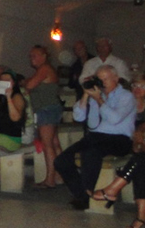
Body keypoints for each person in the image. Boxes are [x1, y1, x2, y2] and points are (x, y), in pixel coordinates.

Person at [54, 65, 135, 211]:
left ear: (116, 79)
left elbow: (114, 119)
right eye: (99, 79)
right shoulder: (97, 94)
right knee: (61, 160)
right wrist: (86, 95)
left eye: (106, 78)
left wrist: (99, 100)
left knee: (91, 153)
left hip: (120, 139)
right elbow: (78, 117)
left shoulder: (126, 96)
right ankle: (83, 194)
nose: (102, 82)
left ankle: (84, 196)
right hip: (95, 136)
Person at [90, 74, 145, 228]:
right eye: (134, 86)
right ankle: (140, 216)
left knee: (140, 161)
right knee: (140, 161)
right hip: (128, 142)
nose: (137, 89)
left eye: (142, 86)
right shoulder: (127, 102)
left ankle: (113, 190)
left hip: (140, 147)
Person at [23, 45, 63, 189]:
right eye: (30, 56)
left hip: (46, 109)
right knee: (54, 143)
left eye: (35, 55)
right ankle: (60, 175)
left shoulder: (44, 68)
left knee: (47, 145)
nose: (31, 59)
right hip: (51, 108)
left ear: (44, 56)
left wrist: (25, 82)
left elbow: (30, 85)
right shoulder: (45, 69)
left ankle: (50, 179)